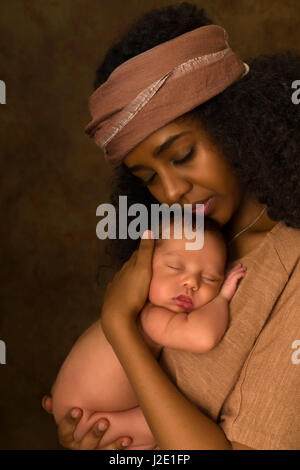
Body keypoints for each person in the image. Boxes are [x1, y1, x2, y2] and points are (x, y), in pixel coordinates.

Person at [42, 2, 300, 450]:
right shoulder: (176, 248)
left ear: (235, 124)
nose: (171, 191)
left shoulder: (290, 264)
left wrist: (119, 325)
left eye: (181, 156)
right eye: (147, 178)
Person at [50, 214, 247, 450]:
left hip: (79, 407)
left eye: (210, 278)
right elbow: (203, 337)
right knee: (165, 423)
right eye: (175, 267)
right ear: (140, 267)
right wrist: (222, 297)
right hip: (86, 419)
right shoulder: (149, 317)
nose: (192, 282)